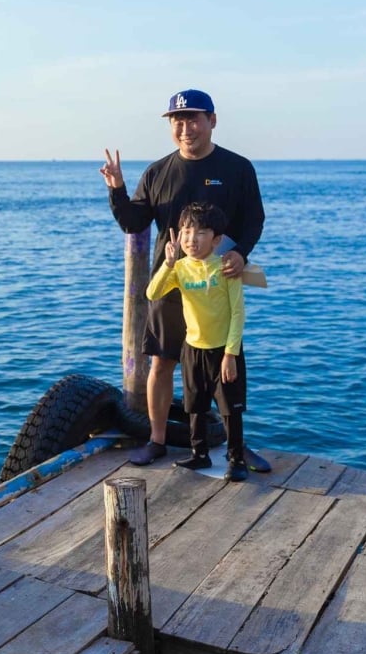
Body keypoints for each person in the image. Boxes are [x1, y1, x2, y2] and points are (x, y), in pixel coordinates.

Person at [101, 88, 264, 466]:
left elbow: (254, 220)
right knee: (162, 362)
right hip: (172, 282)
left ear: (212, 121)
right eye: (177, 120)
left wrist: (240, 253)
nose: (185, 127)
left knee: (226, 361)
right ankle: (158, 439)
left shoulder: (237, 168)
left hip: (218, 285)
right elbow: (133, 221)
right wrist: (116, 190)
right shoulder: (158, 172)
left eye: (193, 119)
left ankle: (234, 444)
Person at [146, 202, 248, 481]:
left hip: (223, 351)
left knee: (229, 409)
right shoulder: (179, 268)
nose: (192, 238)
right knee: (195, 405)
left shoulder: (226, 267)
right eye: (186, 231)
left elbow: (238, 313)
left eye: (201, 232)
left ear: (216, 240)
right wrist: (167, 266)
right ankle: (199, 454)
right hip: (192, 349)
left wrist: (230, 353)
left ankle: (236, 458)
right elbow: (152, 294)